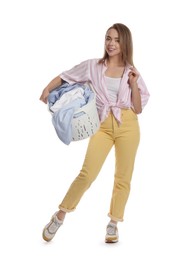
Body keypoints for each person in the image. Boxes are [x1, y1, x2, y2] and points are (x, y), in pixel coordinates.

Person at [39, 23, 150, 243]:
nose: (111, 43)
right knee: (87, 174)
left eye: (117, 40)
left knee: (123, 178)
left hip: (128, 124)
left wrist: (134, 84)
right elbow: (66, 76)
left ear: (125, 43)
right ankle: (60, 215)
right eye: (108, 38)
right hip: (102, 125)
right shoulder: (93, 66)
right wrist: (47, 88)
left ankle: (113, 223)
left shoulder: (131, 72)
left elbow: (138, 108)